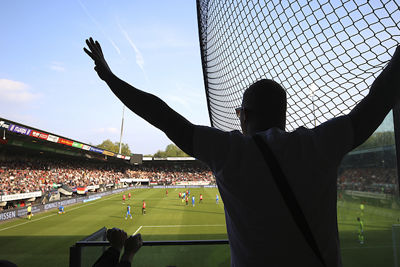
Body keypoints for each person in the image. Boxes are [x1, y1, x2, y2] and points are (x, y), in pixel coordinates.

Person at [85, 38, 400, 266]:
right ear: (283, 114)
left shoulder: (230, 151)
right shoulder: (318, 144)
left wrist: (111, 78)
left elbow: (164, 116)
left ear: (245, 116)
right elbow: (375, 102)